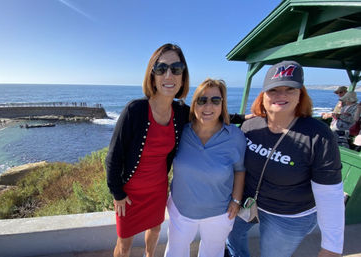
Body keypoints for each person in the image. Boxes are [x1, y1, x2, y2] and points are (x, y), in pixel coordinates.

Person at [226, 60, 344, 257]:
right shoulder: (250, 127)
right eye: (273, 90)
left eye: (290, 89)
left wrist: (331, 246)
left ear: (300, 94)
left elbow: (330, 194)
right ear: (263, 96)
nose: (281, 95)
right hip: (247, 203)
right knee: (231, 237)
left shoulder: (319, 136)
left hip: (289, 216)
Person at [105, 43, 190, 257]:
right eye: (161, 69)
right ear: (152, 76)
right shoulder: (135, 110)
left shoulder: (180, 112)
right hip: (129, 195)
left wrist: (245, 118)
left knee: (155, 230)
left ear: (182, 76)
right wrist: (118, 193)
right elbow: (113, 158)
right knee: (124, 245)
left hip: (157, 189)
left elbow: (210, 113)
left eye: (176, 68)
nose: (169, 75)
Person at [164, 79, 246, 257]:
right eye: (202, 100)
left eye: (215, 100)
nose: (208, 106)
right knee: (175, 252)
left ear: (222, 104)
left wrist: (236, 200)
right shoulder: (181, 131)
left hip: (220, 212)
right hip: (181, 209)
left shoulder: (235, 136)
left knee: (212, 253)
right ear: (194, 104)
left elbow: (240, 169)